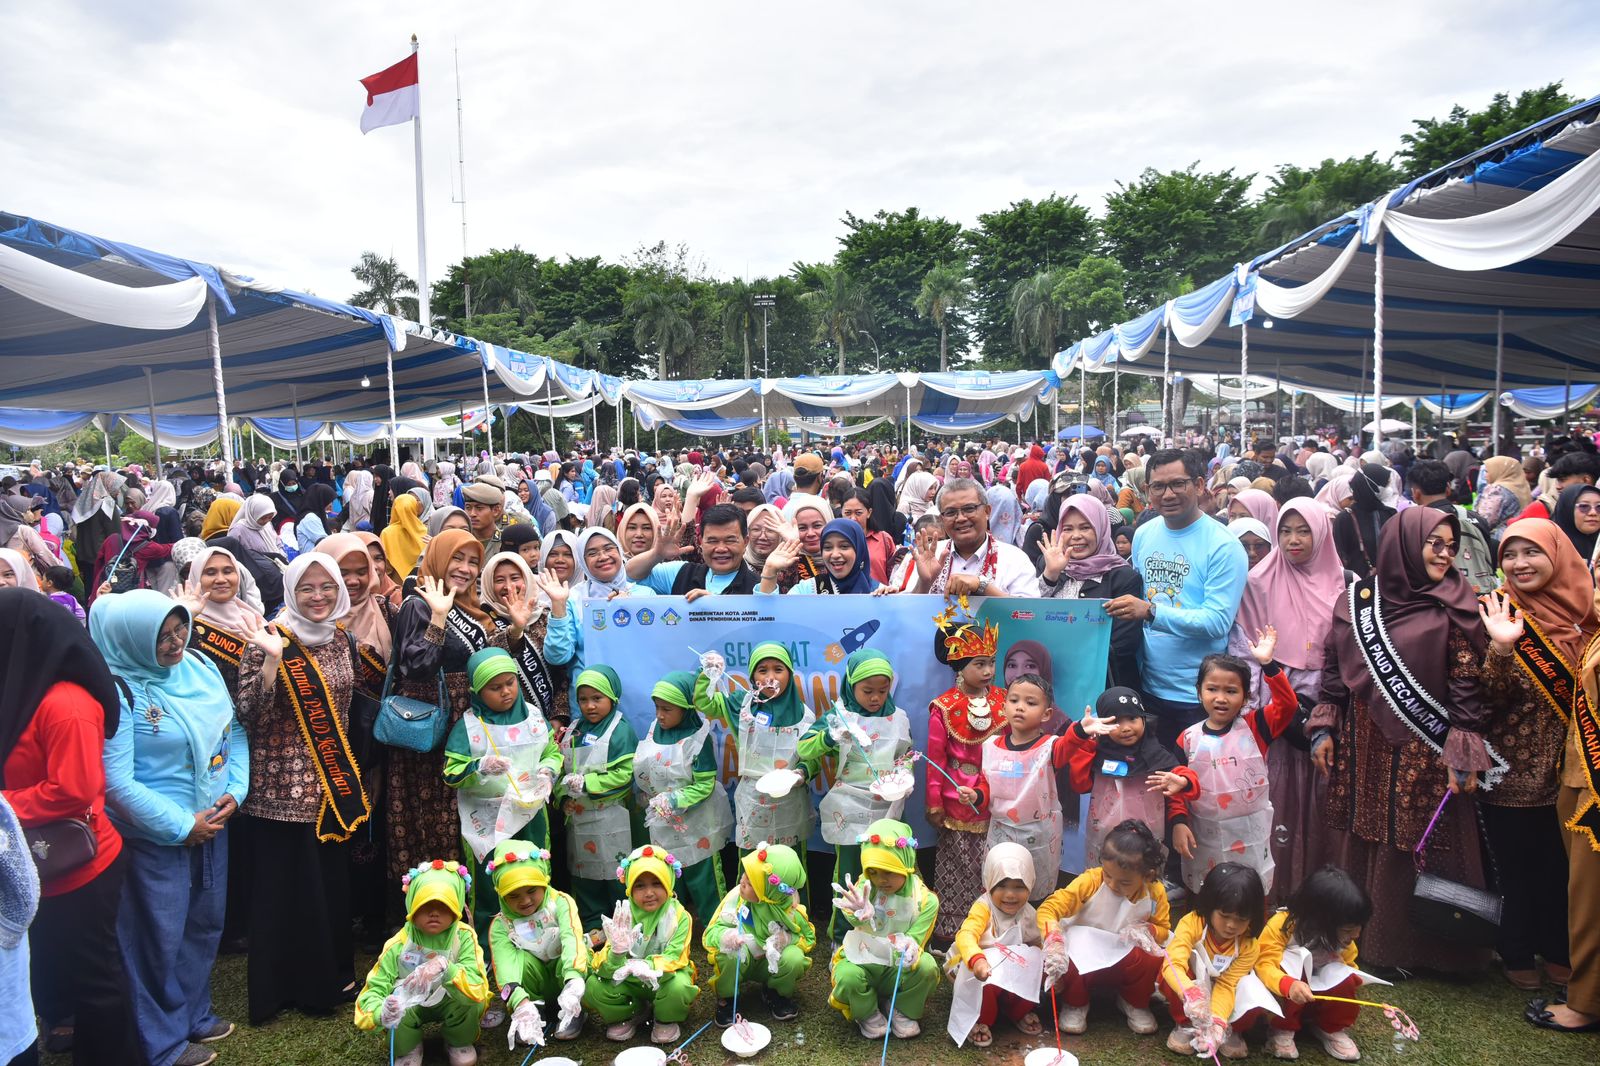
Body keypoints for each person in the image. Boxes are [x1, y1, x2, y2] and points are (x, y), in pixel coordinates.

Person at [1308, 507, 1498, 972]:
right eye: (1434, 543)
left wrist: (1462, 748)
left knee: (1417, 834)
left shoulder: (1456, 600)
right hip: (1364, 739)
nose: (1445, 554)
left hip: (1425, 746)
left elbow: (1466, 681)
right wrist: (1325, 726)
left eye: (1451, 546)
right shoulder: (1359, 601)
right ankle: (1362, 938)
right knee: (1369, 826)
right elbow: (1335, 666)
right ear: (1404, 544)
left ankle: (1427, 947)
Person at [97, 590, 247, 1066]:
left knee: (203, 926)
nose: (176, 641)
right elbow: (115, 783)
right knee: (155, 938)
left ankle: (192, 1013)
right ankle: (159, 1042)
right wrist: (183, 825)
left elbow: (233, 730)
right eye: (161, 636)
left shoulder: (199, 666)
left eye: (181, 628)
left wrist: (236, 789)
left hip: (212, 824)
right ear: (132, 639)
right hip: (156, 838)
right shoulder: (119, 691)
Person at [0, 588, 141, 1066]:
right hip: (35, 857)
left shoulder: (66, 704)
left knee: (95, 978)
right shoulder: (20, 689)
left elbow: (73, 791)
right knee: (54, 962)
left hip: (78, 865)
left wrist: (3, 805)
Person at [235, 553, 369, 1023]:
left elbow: (350, 704)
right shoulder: (269, 638)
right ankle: (279, 989)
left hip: (331, 789)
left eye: (327, 587)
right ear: (291, 591)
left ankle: (329, 980)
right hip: (279, 791)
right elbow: (248, 714)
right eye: (307, 588)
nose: (318, 596)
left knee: (327, 888)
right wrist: (272, 663)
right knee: (283, 892)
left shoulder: (343, 638)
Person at [1476, 521, 1586, 992]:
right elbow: (1485, 700)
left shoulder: (1585, 614)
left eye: (1532, 553)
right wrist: (1502, 647)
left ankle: (1560, 948)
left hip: (1574, 773)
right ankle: (1517, 949)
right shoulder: (1494, 608)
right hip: (1511, 773)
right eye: (1510, 555)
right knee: (1515, 867)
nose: (1519, 564)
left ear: (1557, 556)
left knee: (1563, 868)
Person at [1107, 449, 1249, 748]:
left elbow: (1217, 622)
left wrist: (1151, 612)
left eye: (1177, 484)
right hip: (1147, 687)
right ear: (1147, 491)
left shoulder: (1223, 545)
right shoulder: (1144, 534)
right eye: (1158, 486)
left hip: (1199, 695)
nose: (1168, 494)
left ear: (1198, 485)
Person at [443, 648, 562, 958]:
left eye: (510, 683)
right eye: (495, 688)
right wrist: (479, 767)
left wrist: (548, 771)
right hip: (487, 819)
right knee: (489, 881)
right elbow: (451, 772)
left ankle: (540, 943)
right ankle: (488, 948)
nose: (506, 692)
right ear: (476, 692)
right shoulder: (469, 726)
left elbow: (551, 751)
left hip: (529, 813)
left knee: (532, 872)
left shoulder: (533, 717)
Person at [797, 648, 912, 941]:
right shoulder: (840, 716)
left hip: (887, 804)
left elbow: (905, 756)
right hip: (848, 805)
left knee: (887, 868)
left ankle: (885, 931)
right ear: (850, 686)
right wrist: (830, 736)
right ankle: (841, 935)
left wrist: (904, 773)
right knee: (849, 872)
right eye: (867, 691)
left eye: (882, 691)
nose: (876, 698)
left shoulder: (898, 717)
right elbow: (804, 749)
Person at [1174, 638, 1297, 896]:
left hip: (1250, 836)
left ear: (1245, 697)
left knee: (1247, 894)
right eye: (1212, 689)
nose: (1221, 698)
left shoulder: (1256, 727)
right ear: (1199, 692)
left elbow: (1288, 706)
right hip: (1204, 835)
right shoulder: (1187, 738)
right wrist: (1178, 822)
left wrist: (1268, 665)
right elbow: (1176, 788)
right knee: (1207, 895)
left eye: (1231, 691)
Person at [1038, 819, 1171, 1037]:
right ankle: (1075, 1002)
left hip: (1125, 956)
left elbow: (1164, 928)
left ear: (1147, 876)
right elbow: (1049, 909)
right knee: (1070, 946)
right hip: (1085, 957)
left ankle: (1134, 1001)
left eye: (1124, 882)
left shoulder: (1155, 892)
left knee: (1152, 955)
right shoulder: (1090, 881)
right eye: (1108, 875)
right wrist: (1053, 937)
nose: (1112, 885)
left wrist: (1149, 931)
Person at [353, 859, 488, 1066]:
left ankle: (458, 1040)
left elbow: (476, 983)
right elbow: (375, 989)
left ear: (457, 906)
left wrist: (447, 969)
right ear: (411, 905)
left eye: (444, 905)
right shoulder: (398, 943)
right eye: (425, 905)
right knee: (395, 1003)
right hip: (410, 1004)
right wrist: (382, 1012)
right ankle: (408, 1046)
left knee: (470, 999)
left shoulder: (464, 937)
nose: (434, 912)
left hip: (450, 998)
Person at [926, 610, 1006, 943]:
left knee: (992, 863)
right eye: (979, 664)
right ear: (960, 667)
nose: (988, 671)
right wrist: (934, 802)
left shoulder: (1004, 700)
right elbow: (935, 759)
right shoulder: (944, 707)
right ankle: (951, 931)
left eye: (991, 662)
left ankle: (990, 927)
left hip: (998, 795)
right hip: (957, 797)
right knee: (956, 863)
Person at [960, 673, 1074, 901]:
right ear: (1004, 707)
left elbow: (1070, 745)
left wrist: (1080, 731)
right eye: (1014, 700)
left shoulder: (1050, 747)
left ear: (1046, 714)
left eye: (1030, 703)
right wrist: (976, 795)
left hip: (1038, 833)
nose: (1020, 707)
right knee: (1000, 889)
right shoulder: (991, 746)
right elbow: (986, 783)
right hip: (1000, 830)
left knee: (1034, 893)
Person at [633, 671, 732, 925]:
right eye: (657, 707)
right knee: (667, 874)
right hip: (662, 820)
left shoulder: (697, 738)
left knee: (704, 878)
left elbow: (705, 784)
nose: (659, 715)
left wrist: (675, 799)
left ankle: (716, 928)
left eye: (667, 709)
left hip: (696, 821)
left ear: (686, 708)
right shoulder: (655, 730)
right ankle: (671, 927)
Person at [827, 817, 940, 1040]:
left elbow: (915, 939)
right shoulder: (864, 886)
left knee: (927, 968)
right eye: (873, 872)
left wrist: (909, 946)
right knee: (847, 976)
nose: (881, 880)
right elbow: (853, 915)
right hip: (863, 961)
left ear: (906, 863)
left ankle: (901, 1007)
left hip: (897, 967)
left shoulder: (926, 900)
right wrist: (857, 911)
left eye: (888, 871)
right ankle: (866, 1011)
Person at [1246, 866, 1374, 1062]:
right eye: (1348, 930)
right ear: (1320, 920)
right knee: (1290, 964)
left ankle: (1330, 1026)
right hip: (1287, 994)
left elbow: (1350, 964)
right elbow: (1264, 964)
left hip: (1318, 997)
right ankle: (1281, 1027)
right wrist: (1288, 985)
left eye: (1359, 928)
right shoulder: (1284, 925)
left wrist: (1351, 979)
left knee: (1345, 976)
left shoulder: (1344, 939)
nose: (1356, 935)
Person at [1061, 688, 1197, 867]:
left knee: (1144, 878)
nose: (1126, 728)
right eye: (1116, 721)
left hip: (1146, 838)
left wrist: (1184, 783)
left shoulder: (1156, 755)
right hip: (1104, 837)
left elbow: (1181, 781)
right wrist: (1086, 742)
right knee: (1104, 877)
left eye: (1132, 718)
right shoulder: (1097, 754)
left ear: (1144, 719)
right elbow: (1080, 785)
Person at [584, 846, 700, 1045]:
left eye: (657, 883)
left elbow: (676, 956)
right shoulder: (624, 914)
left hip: (664, 978)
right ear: (629, 888)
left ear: (669, 883)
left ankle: (665, 1018)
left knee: (679, 985)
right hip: (629, 980)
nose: (649, 893)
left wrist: (649, 965)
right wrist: (617, 954)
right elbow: (603, 966)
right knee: (594, 986)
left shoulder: (680, 916)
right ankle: (632, 1012)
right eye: (639, 886)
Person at [1156, 862, 1271, 1059]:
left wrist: (1217, 1022)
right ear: (1209, 906)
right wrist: (1189, 992)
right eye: (1224, 916)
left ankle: (1232, 1029)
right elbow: (1173, 964)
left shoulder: (1249, 945)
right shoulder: (1192, 924)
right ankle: (1185, 1023)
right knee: (1173, 976)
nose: (1231, 925)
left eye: (1241, 919)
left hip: (1223, 993)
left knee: (1250, 986)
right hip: (1192, 989)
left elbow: (1227, 984)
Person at [557, 666, 640, 931]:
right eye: (583, 699)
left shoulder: (620, 730)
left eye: (597, 698)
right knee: (584, 874)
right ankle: (592, 923)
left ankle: (623, 924)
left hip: (611, 818)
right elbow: (560, 772)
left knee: (617, 873)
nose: (590, 706)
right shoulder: (574, 730)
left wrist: (588, 784)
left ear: (612, 697)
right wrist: (563, 797)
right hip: (578, 820)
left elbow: (625, 774)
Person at [484, 842, 589, 1044]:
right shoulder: (501, 924)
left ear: (544, 882)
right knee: (520, 960)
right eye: (513, 895)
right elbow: (505, 965)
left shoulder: (560, 902)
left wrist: (574, 978)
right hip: (533, 984)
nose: (525, 901)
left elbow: (572, 938)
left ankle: (574, 1011)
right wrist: (518, 1001)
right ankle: (532, 1012)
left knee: (574, 952)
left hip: (566, 977)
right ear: (501, 894)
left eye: (532, 891)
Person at [703, 842, 815, 1027]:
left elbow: (808, 938)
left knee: (794, 957)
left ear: (771, 893)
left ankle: (775, 992)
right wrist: (726, 936)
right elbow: (712, 932)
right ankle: (727, 999)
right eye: (745, 875)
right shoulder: (736, 899)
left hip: (771, 964)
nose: (742, 882)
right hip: (743, 959)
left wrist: (788, 939)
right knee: (728, 954)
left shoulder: (791, 911)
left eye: (751, 883)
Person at [1040, 496, 1146, 689]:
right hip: (1054, 682)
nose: (1076, 536)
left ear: (1101, 528)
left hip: (1103, 686)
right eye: (1068, 529)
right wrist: (1051, 574)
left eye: (1085, 527)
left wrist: (1065, 651)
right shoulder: (1052, 566)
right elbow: (1033, 619)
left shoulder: (1122, 577)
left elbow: (1124, 643)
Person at [948, 841, 1043, 1048]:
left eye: (1019, 887)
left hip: (1008, 965)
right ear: (989, 882)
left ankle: (1017, 1010)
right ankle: (981, 1018)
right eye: (1001, 885)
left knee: (1037, 962)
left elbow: (1038, 940)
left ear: (1031, 883)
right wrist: (977, 960)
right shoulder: (984, 908)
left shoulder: (1028, 912)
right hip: (979, 966)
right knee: (984, 982)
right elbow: (966, 935)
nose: (1010, 894)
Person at [905, 478, 1041, 597]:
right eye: (951, 512)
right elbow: (909, 611)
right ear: (942, 519)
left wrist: (982, 586)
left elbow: (1028, 613)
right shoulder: (929, 556)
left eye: (969, 509)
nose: (961, 518)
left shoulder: (1015, 559)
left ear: (987, 511)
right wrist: (924, 583)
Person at [626, 503, 763, 596]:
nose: (721, 549)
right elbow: (631, 575)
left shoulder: (759, 587)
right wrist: (657, 554)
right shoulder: (681, 573)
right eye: (712, 541)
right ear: (701, 542)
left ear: (745, 542)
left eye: (730, 540)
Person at [781, 517, 884, 595]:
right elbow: (780, 613)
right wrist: (772, 572)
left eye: (844, 546)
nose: (835, 555)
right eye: (828, 547)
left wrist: (890, 601)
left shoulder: (879, 592)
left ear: (859, 550)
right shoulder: (807, 589)